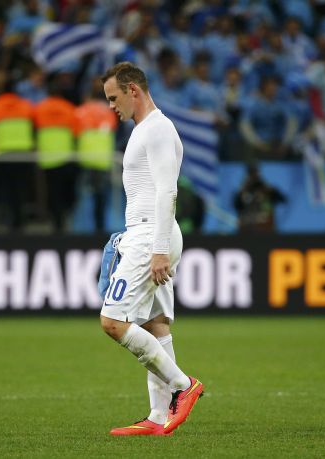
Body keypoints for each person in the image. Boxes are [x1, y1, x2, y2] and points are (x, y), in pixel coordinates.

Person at [99, 62, 204, 436]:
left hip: (151, 237)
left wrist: (158, 248)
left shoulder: (157, 129)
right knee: (154, 324)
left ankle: (183, 385)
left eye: (113, 98)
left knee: (113, 322)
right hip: (144, 235)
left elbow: (167, 190)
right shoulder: (145, 130)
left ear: (133, 91)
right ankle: (158, 418)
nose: (111, 106)